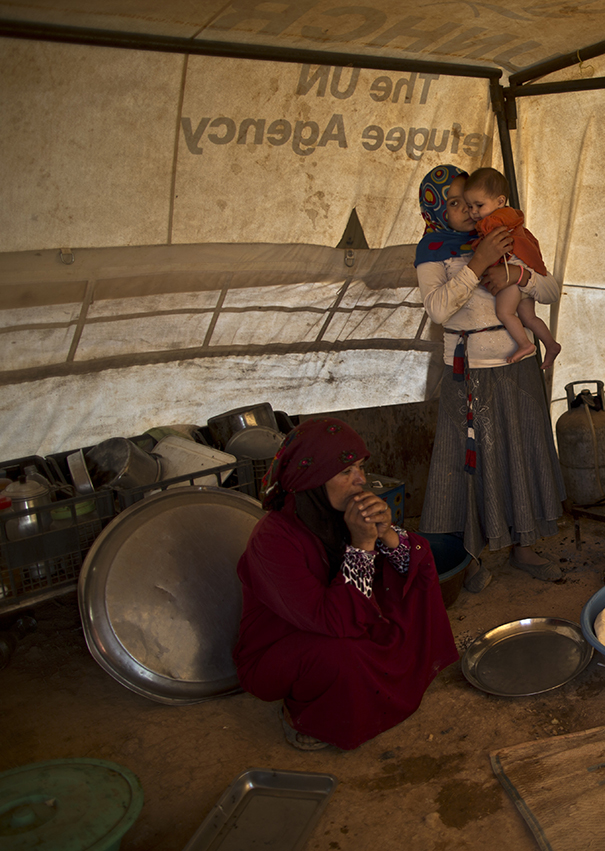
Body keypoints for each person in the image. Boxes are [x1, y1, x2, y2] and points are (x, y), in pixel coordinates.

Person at [233, 417, 458, 751]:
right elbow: (332, 621)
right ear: (312, 479)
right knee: (344, 655)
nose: (361, 481)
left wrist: (386, 535)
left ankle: (370, 693)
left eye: (361, 467)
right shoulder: (273, 539)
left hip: (340, 622)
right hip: (282, 649)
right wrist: (362, 545)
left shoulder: (339, 514)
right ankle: (304, 713)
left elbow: (414, 567)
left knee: (411, 594)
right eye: (345, 472)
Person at [415, 164, 566, 586]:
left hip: (517, 365)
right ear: (435, 209)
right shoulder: (432, 249)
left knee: (521, 451)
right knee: (466, 463)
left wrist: (518, 274)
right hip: (469, 370)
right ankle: (471, 556)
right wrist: (476, 263)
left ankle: (525, 546)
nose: (465, 209)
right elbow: (438, 309)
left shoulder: (501, 231)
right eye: (453, 202)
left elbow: (551, 290)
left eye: (469, 199)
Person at [463, 167, 561, 369]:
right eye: (470, 206)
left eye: (478, 205)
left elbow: (486, 243)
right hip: (521, 271)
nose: (473, 212)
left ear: (500, 201)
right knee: (529, 317)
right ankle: (551, 344)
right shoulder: (509, 217)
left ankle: (525, 344)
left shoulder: (492, 221)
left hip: (511, 272)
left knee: (505, 313)